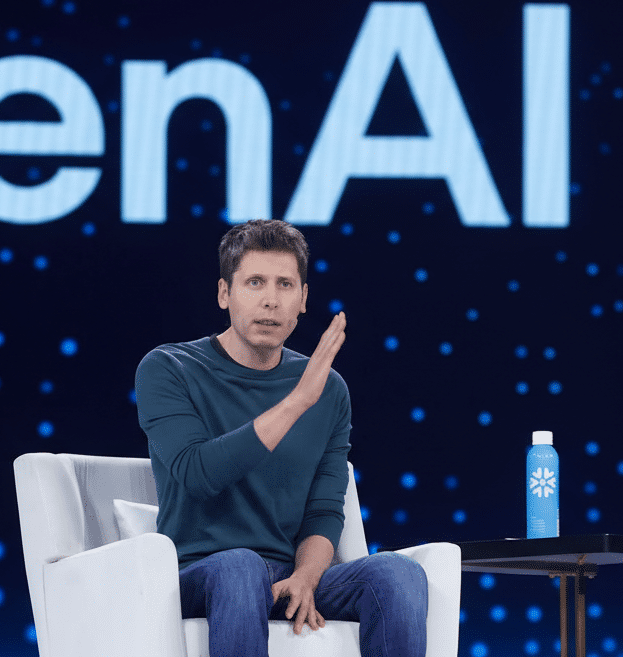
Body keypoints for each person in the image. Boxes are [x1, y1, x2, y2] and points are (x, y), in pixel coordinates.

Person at [134, 219, 428, 657]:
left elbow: (325, 509)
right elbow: (197, 474)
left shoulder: (327, 389)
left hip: (289, 573)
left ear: (303, 299)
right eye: (254, 282)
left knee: (398, 574)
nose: (270, 300)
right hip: (202, 573)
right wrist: (295, 403)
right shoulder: (168, 368)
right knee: (241, 566)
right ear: (224, 293)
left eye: (285, 284)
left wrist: (306, 577)